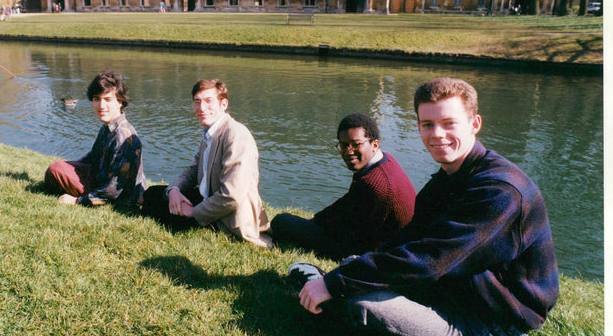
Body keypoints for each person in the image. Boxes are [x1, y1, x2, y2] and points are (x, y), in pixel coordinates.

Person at [289, 78, 559, 336]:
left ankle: (317, 292)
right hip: (453, 295)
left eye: (449, 123)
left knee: (363, 300)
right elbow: (409, 240)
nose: (437, 135)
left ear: (474, 123)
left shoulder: (500, 191)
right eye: (427, 124)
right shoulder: (448, 177)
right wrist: (348, 273)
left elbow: (430, 260)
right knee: (358, 269)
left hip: (489, 333)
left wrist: (334, 283)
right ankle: (321, 287)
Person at [142, 79, 272, 248]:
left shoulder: (236, 135)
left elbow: (231, 196)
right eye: (197, 102)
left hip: (228, 217)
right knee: (153, 194)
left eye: (208, 101)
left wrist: (193, 212)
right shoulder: (212, 132)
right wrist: (174, 190)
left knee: (158, 209)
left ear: (223, 104)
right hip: (208, 198)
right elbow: (194, 169)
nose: (202, 108)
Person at [271, 113, 415, 260]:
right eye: (343, 145)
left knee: (281, 222)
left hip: (385, 253)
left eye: (356, 144)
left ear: (375, 144)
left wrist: (311, 226)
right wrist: (316, 220)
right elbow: (348, 203)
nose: (348, 151)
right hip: (398, 244)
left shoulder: (374, 184)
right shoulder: (386, 160)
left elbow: (351, 232)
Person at [45, 71, 146, 207]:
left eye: (108, 99)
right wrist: (71, 166)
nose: (101, 106)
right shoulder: (108, 127)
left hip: (123, 196)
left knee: (56, 170)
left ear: (120, 102)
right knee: (58, 168)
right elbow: (93, 157)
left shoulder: (123, 137)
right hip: (99, 176)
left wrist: (77, 201)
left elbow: (113, 190)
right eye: (97, 99)